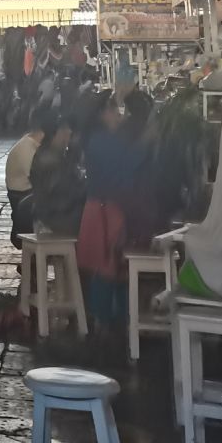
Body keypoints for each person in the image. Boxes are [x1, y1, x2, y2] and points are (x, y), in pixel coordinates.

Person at [75, 91, 149, 328]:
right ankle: (106, 322)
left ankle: (112, 321)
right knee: (107, 268)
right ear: (102, 114)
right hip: (106, 210)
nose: (119, 114)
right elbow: (128, 164)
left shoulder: (102, 138)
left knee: (113, 268)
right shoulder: (102, 141)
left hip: (105, 207)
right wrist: (147, 142)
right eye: (113, 109)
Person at [29, 116, 84, 236]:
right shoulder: (48, 159)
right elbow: (66, 191)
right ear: (54, 134)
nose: (69, 132)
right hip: (55, 217)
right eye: (64, 129)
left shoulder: (55, 153)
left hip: (57, 212)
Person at [5, 110, 46, 247]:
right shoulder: (27, 149)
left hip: (26, 195)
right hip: (23, 199)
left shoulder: (32, 144)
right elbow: (40, 180)